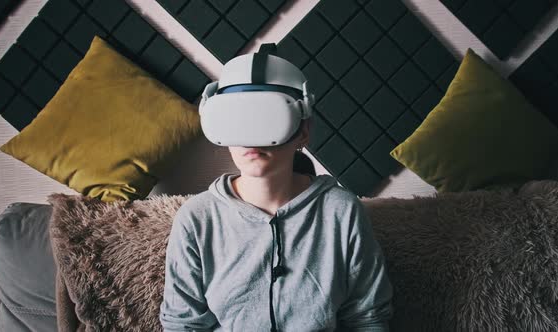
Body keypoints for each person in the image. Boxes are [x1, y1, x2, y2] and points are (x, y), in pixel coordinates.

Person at [159, 44, 393, 331]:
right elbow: (183, 325)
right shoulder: (196, 219)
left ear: (303, 131)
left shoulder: (341, 212)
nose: (251, 138)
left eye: (267, 118)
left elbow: (368, 318)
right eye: (237, 119)